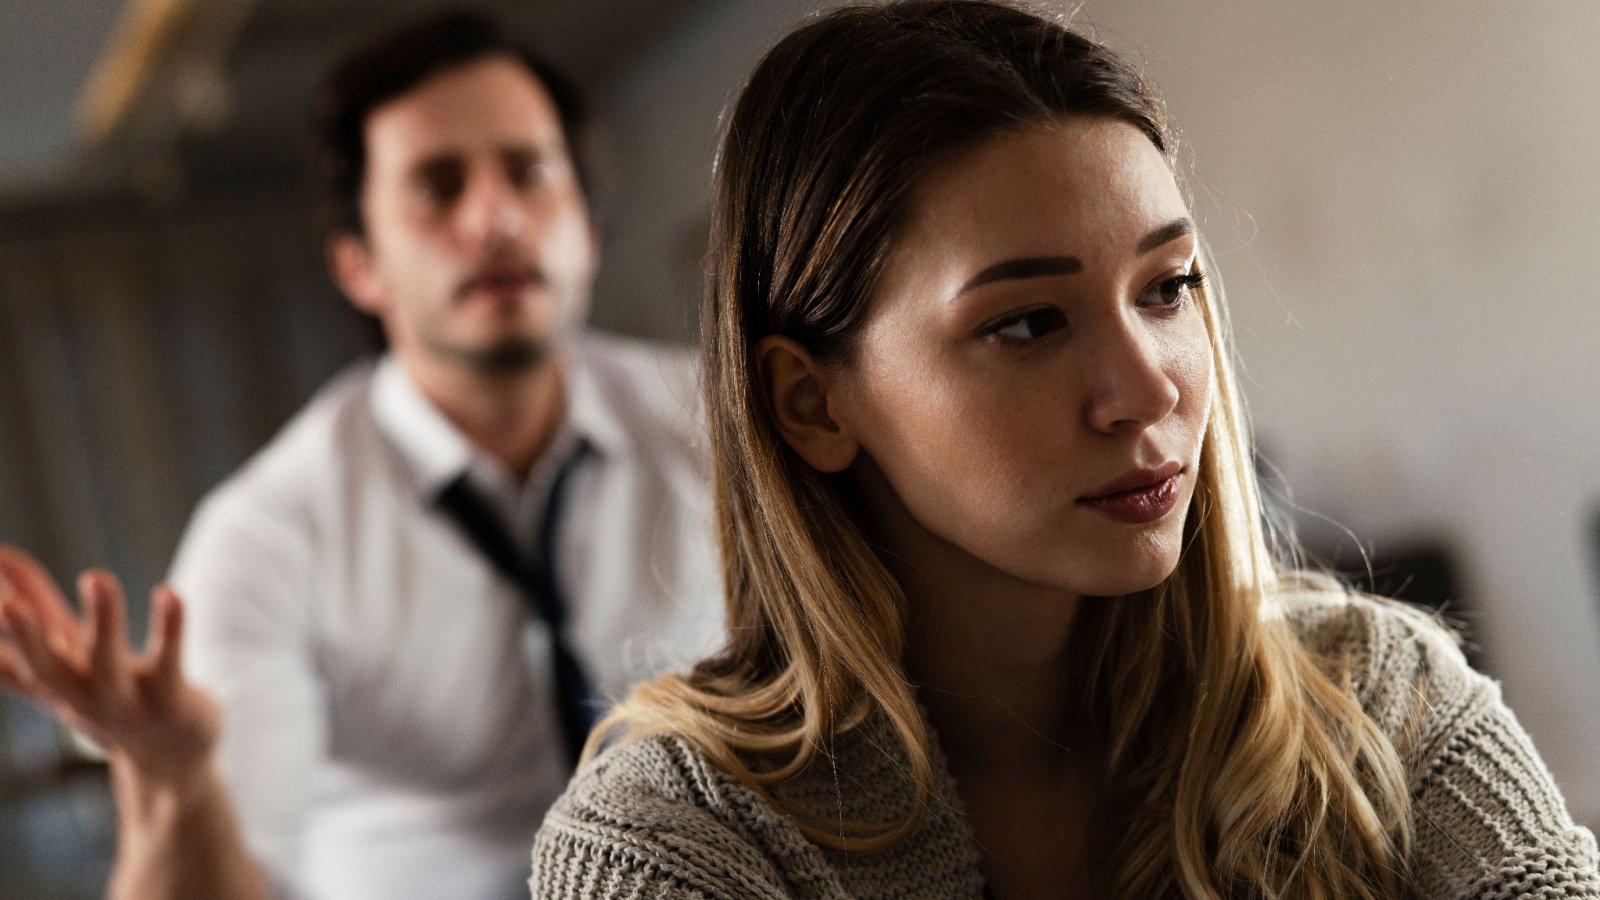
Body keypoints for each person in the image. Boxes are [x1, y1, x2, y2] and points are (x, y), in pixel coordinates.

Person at [529, 2, 1600, 898]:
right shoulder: (673, 845)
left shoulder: (1378, 699)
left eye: (1166, 288)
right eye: (1027, 324)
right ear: (810, 402)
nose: (1146, 390)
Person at [0, 9, 719, 900]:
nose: (496, 217)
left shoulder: (724, 426)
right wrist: (176, 780)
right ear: (358, 266)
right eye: (438, 186)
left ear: (586, 225)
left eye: (530, 173)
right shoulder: (264, 535)